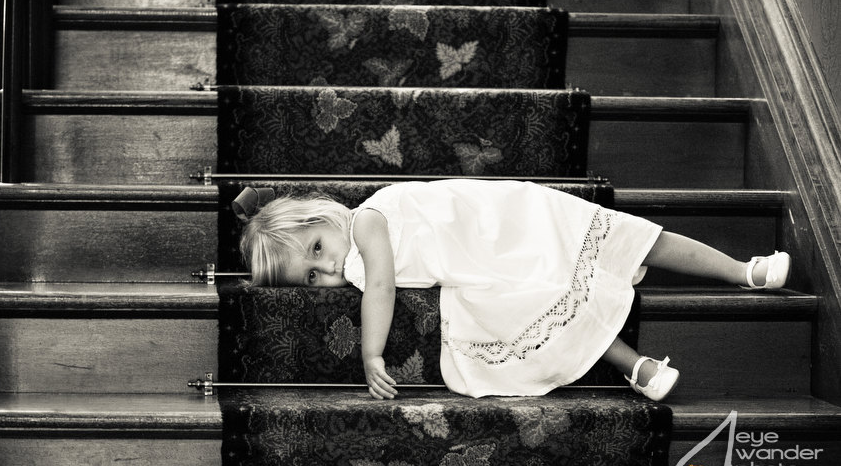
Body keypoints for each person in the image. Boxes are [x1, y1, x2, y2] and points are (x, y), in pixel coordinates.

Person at [237, 179, 791, 402]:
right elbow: (371, 279)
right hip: (478, 269)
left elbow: (381, 285)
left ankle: (742, 270)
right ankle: (637, 365)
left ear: (325, 214)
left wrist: (371, 351)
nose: (327, 267)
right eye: (310, 276)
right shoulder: (351, 263)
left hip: (507, 224)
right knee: (528, 305)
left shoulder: (367, 223)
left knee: (630, 240)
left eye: (316, 248)